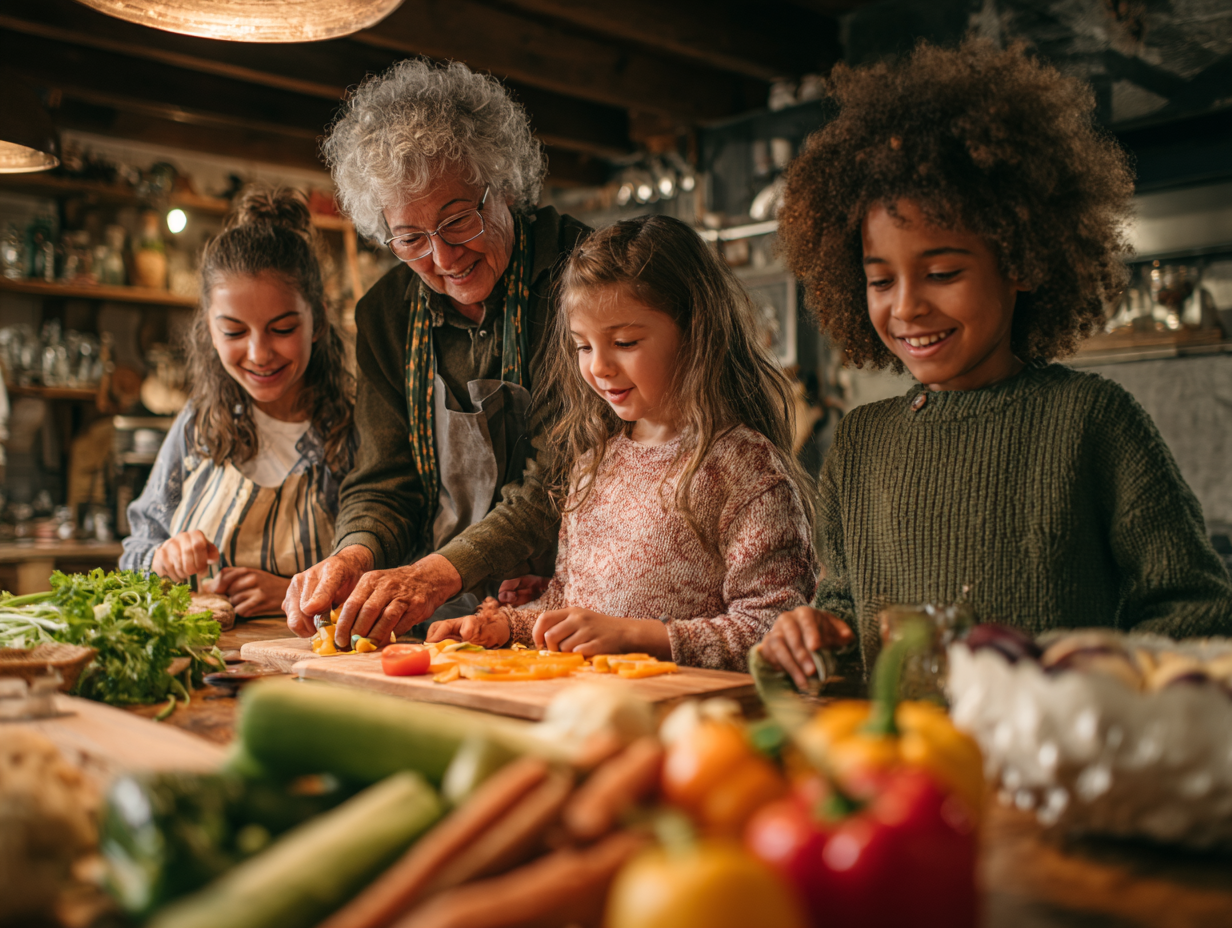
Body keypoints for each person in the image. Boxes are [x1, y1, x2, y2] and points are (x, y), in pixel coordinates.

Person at [758, 39, 1232, 689]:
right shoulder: (861, 442)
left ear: (1023, 262)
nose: (907, 307)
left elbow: (1195, 613)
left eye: (943, 272)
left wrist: (1104, 692)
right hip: (910, 773)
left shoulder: (1092, 420)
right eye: (879, 280)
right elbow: (847, 619)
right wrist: (814, 637)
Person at [283, 59, 590, 647]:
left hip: (566, 609)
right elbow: (384, 479)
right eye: (411, 239)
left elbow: (563, 475)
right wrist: (353, 555)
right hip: (441, 618)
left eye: (457, 220)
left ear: (501, 185)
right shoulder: (387, 314)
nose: (443, 258)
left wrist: (432, 574)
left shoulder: (580, 275)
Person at [426, 216, 818, 672]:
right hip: (595, 713)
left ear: (694, 330)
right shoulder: (594, 460)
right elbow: (569, 603)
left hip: (691, 725)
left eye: (625, 342)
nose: (599, 367)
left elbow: (774, 628)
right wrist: (507, 627)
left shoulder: (743, 466)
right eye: (583, 346)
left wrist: (636, 636)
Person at [120, 187, 354, 618]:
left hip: (304, 676)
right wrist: (161, 559)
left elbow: (395, 570)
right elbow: (135, 550)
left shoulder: (350, 432)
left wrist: (294, 593)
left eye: (282, 328)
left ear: (318, 320)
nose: (259, 353)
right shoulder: (198, 424)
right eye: (233, 332)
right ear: (209, 329)